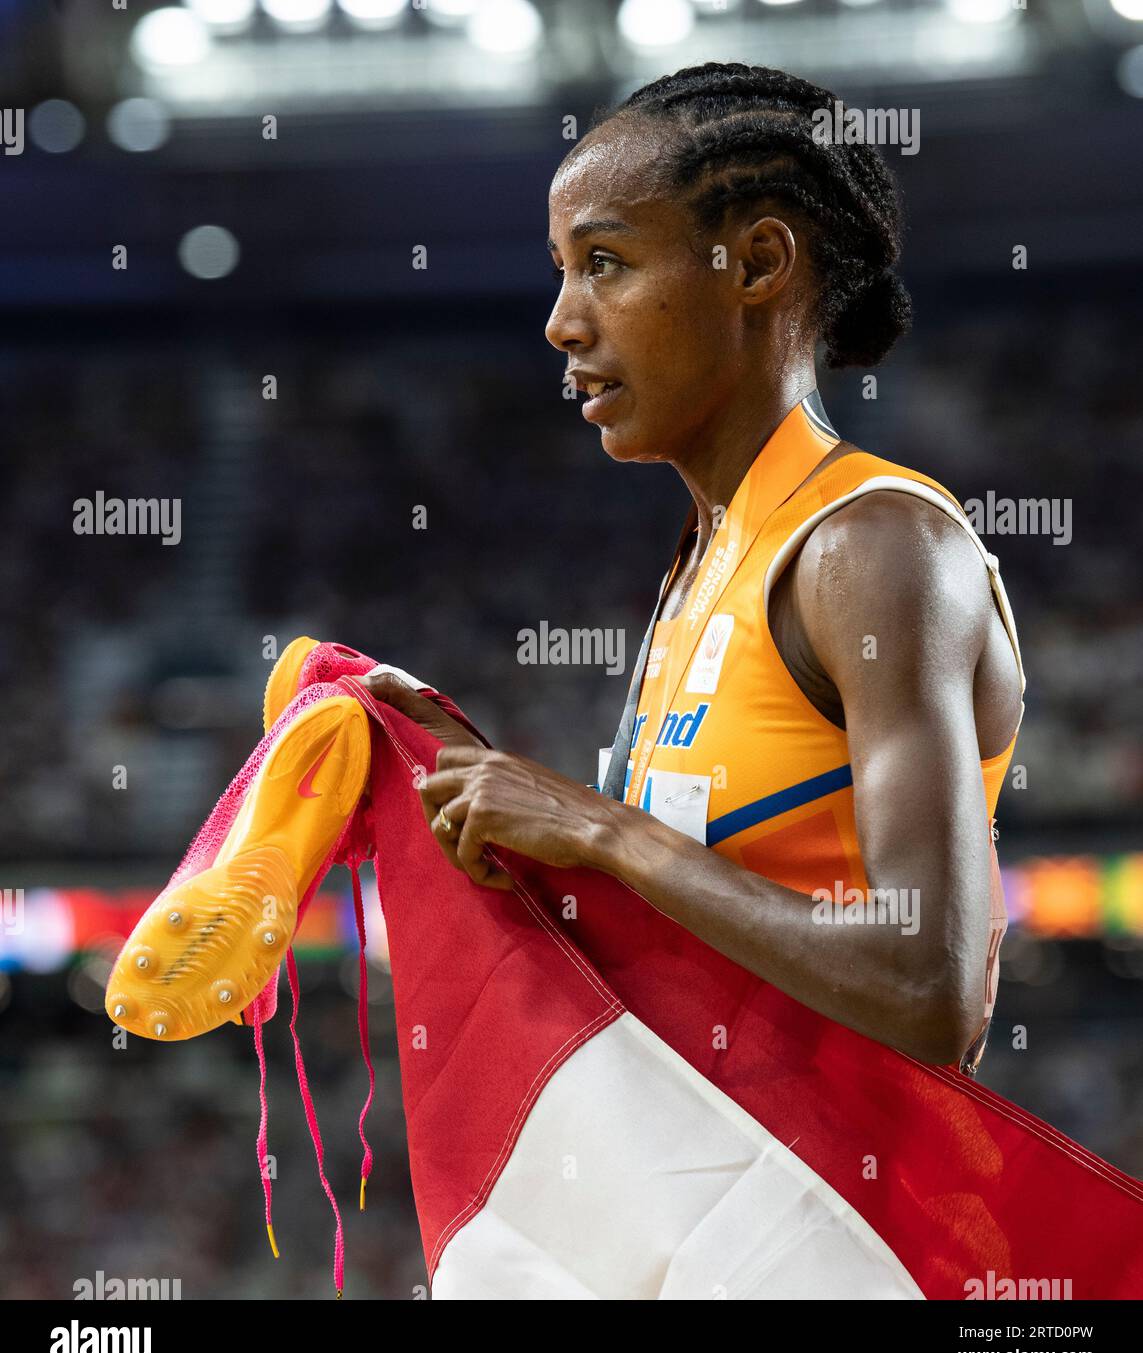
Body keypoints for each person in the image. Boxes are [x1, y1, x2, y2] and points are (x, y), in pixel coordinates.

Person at [365, 62, 1024, 1070]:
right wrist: (477, 784)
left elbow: (929, 985)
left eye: (605, 262)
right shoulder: (708, 555)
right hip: (720, 1209)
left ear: (755, 263)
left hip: (854, 1212)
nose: (562, 320)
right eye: (561, 268)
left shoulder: (870, 546)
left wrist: (599, 828)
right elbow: (698, 934)